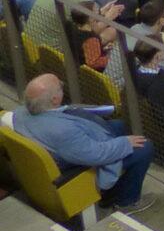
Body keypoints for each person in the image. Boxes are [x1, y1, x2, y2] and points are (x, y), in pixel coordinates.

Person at [13, 74, 153, 213]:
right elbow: (98, 154)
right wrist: (125, 143)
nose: (62, 85)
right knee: (144, 147)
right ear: (55, 99)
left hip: (68, 146)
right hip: (79, 164)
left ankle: (118, 187)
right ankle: (125, 202)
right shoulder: (63, 131)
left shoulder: (20, 113)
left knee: (118, 125)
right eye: (59, 87)